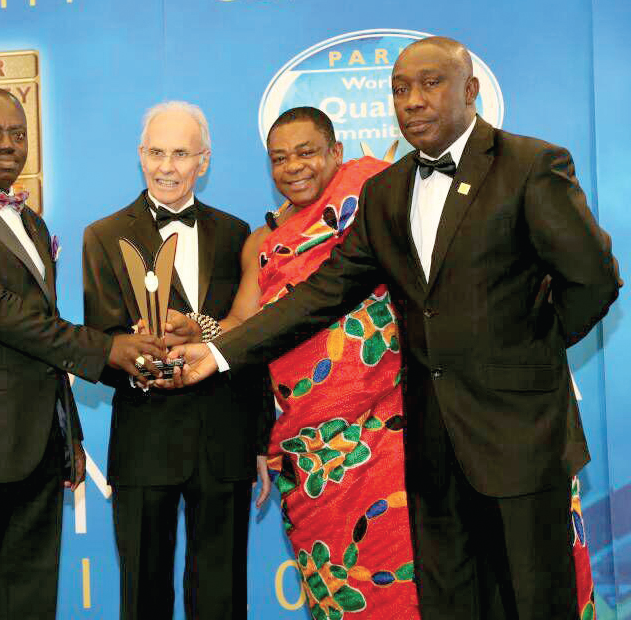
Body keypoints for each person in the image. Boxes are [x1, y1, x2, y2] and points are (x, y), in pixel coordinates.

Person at [168, 37, 618, 620]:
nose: (413, 101)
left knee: (534, 601)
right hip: (427, 445)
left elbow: (594, 278)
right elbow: (320, 295)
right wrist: (219, 353)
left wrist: (532, 350)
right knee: (450, 602)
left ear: (470, 91)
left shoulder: (531, 164)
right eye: (401, 89)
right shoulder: (385, 192)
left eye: (431, 83)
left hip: (521, 436)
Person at [0, 87, 164, 619]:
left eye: (17, 134)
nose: (8, 144)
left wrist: (66, 435)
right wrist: (107, 348)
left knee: (28, 605)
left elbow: (39, 335)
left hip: (35, 450)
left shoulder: (32, 223)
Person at [172, 105, 422, 618]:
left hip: (386, 433)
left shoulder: (375, 203)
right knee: (338, 582)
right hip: (310, 450)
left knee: (403, 572)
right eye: (279, 158)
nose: (293, 167)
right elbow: (242, 324)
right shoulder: (264, 246)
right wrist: (198, 329)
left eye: (306, 152)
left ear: (337, 153)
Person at [81, 101, 274, 620]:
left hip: (224, 437)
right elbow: (102, 342)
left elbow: (254, 341)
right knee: (143, 595)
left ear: (203, 161)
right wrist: (139, 358)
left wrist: (259, 439)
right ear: (140, 155)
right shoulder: (103, 235)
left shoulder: (239, 234)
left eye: (181, 154)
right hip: (146, 437)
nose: (166, 167)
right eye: (156, 153)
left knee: (221, 596)